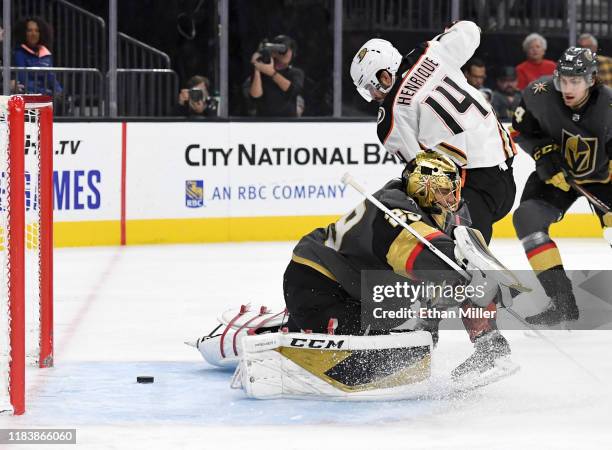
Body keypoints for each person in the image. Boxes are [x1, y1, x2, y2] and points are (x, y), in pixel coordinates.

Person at [284, 151, 514, 380]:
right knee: (401, 346)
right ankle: (306, 337)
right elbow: (424, 257)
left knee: (427, 297)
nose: (452, 199)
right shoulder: (396, 213)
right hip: (318, 285)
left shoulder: (421, 207)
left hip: (348, 287)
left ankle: (490, 347)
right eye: (445, 192)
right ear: (423, 188)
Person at [350, 21, 517, 245]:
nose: (373, 95)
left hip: (471, 186)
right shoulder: (432, 51)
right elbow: (470, 30)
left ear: (385, 77)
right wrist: (451, 30)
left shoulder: (392, 114)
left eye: (371, 87)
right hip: (505, 168)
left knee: (406, 191)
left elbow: (421, 168)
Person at [512, 47, 612, 326]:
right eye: (563, 80)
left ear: (592, 80)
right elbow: (521, 130)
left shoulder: (610, 106)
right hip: (558, 174)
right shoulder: (539, 94)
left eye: (575, 81)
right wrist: (543, 152)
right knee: (527, 219)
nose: (567, 88)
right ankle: (562, 302)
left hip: (605, 178)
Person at [247, 34, 304, 117]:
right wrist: (257, 68)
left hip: (289, 123)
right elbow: (255, 96)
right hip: (264, 122)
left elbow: (293, 90)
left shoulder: (295, 73)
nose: (282, 53)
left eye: (285, 49)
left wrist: (272, 73)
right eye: (277, 48)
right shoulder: (263, 70)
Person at [12, 17, 62, 96]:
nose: (33, 34)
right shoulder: (19, 53)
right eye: (29, 30)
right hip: (29, 96)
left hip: (45, 95)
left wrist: (59, 92)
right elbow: (23, 80)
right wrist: (44, 93)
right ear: (23, 33)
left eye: (37, 31)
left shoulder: (46, 54)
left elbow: (51, 78)